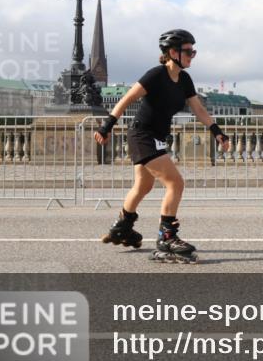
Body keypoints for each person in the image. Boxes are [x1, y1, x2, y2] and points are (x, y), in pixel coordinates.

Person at [94, 29, 230, 263]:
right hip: (142, 135)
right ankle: (167, 237)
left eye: (193, 51)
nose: (192, 56)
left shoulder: (184, 79)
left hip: (157, 137)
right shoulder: (156, 75)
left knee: (143, 186)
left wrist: (217, 131)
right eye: (188, 51)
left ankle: (122, 226)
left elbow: (198, 109)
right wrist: (106, 126)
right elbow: (126, 99)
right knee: (175, 182)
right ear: (172, 52)